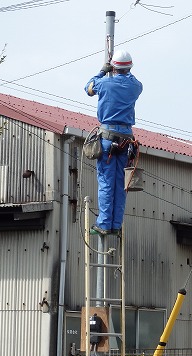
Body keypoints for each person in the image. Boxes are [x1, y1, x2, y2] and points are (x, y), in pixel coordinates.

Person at [84, 49, 143, 236]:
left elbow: (88, 88)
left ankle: (104, 224)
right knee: (121, 184)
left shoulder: (104, 83)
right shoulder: (136, 86)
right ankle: (115, 224)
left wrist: (102, 70)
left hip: (108, 138)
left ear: (113, 67)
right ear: (130, 67)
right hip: (126, 138)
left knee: (106, 183)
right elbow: (132, 80)